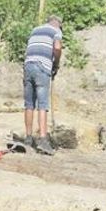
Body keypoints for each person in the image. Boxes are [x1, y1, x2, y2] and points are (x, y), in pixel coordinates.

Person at [23, 15, 63, 155]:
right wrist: (56, 64)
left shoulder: (35, 30)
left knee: (29, 104)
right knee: (43, 105)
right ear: (58, 24)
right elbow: (57, 48)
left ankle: (28, 138)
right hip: (42, 68)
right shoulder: (56, 31)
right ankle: (43, 140)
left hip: (28, 66)